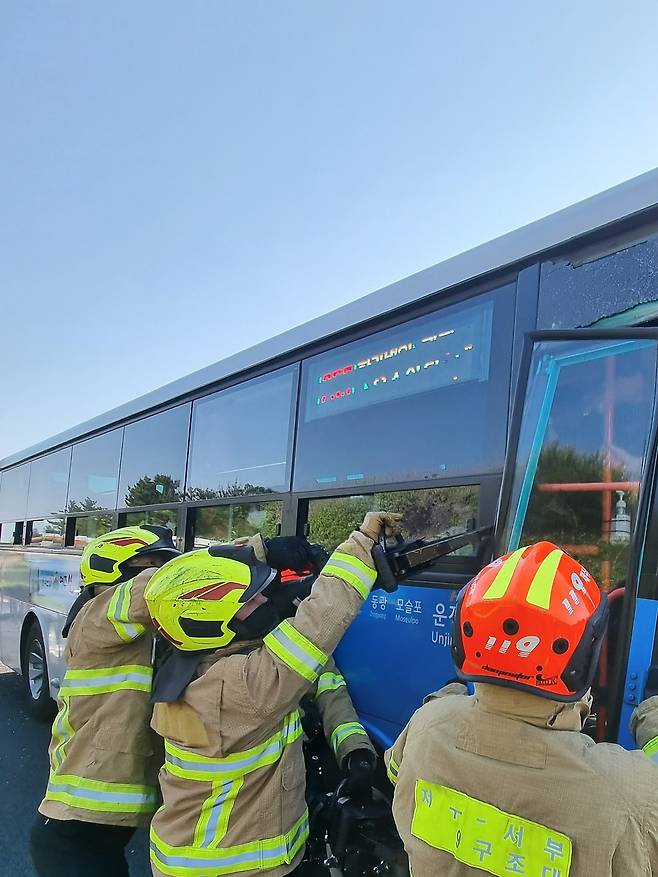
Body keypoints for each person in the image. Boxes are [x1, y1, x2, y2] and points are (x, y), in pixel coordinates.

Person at [144, 512, 401, 877]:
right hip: (230, 869)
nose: (266, 602)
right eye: (251, 600)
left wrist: (352, 746)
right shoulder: (239, 687)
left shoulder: (189, 667)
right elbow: (322, 620)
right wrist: (361, 543)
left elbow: (317, 673)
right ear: (213, 619)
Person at [385, 541, 658, 876]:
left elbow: (398, 771)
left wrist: (447, 708)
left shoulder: (426, 725)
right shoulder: (628, 792)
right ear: (582, 659)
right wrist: (651, 720)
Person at [30, 525, 181, 877]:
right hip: (71, 840)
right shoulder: (96, 618)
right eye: (146, 567)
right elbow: (156, 590)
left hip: (94, 835)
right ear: (108, 572)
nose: (155, 575)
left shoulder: (136, 631)